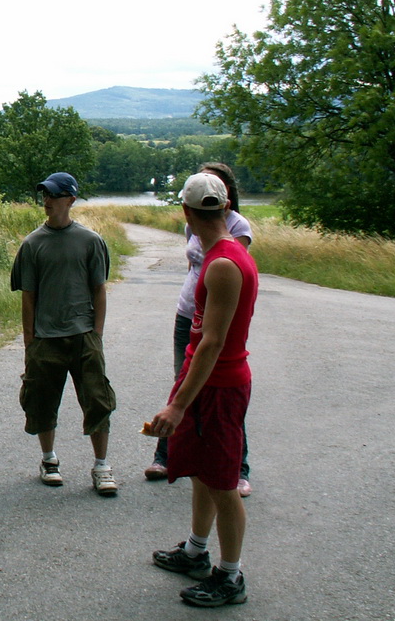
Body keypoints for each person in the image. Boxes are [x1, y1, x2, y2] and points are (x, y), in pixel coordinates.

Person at [148, 172, 259, 608]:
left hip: (220, 385)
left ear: (186, 212)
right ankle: (196, 551)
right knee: (201, 471)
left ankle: (230, 577)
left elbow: (213, 343)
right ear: (226, 207)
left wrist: (177, 406)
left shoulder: (225, 264)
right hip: (204, 379)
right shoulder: (219, 256)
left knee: (223, 483)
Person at [144, 162, 255, 497]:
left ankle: (237, 469)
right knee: (183, 384)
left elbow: (216, 337)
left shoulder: (228, 251)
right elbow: (195, 265)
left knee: (211, 405)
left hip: (214, 331)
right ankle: (170, 456)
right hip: (189, 313)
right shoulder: (204, 239)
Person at [10, 172, 118, 496]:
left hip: (83, 334)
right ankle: (49, 460)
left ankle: (101, 466)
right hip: (46, 338)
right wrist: (30, 342)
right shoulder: (32, 244)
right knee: (41, 401)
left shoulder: (90, 241)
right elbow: (28, 297)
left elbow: (99, 290)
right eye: (45, 195)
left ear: (70, 199)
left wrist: (96, 334)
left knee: (97, 400)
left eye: (54, 195)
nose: (47, 201)